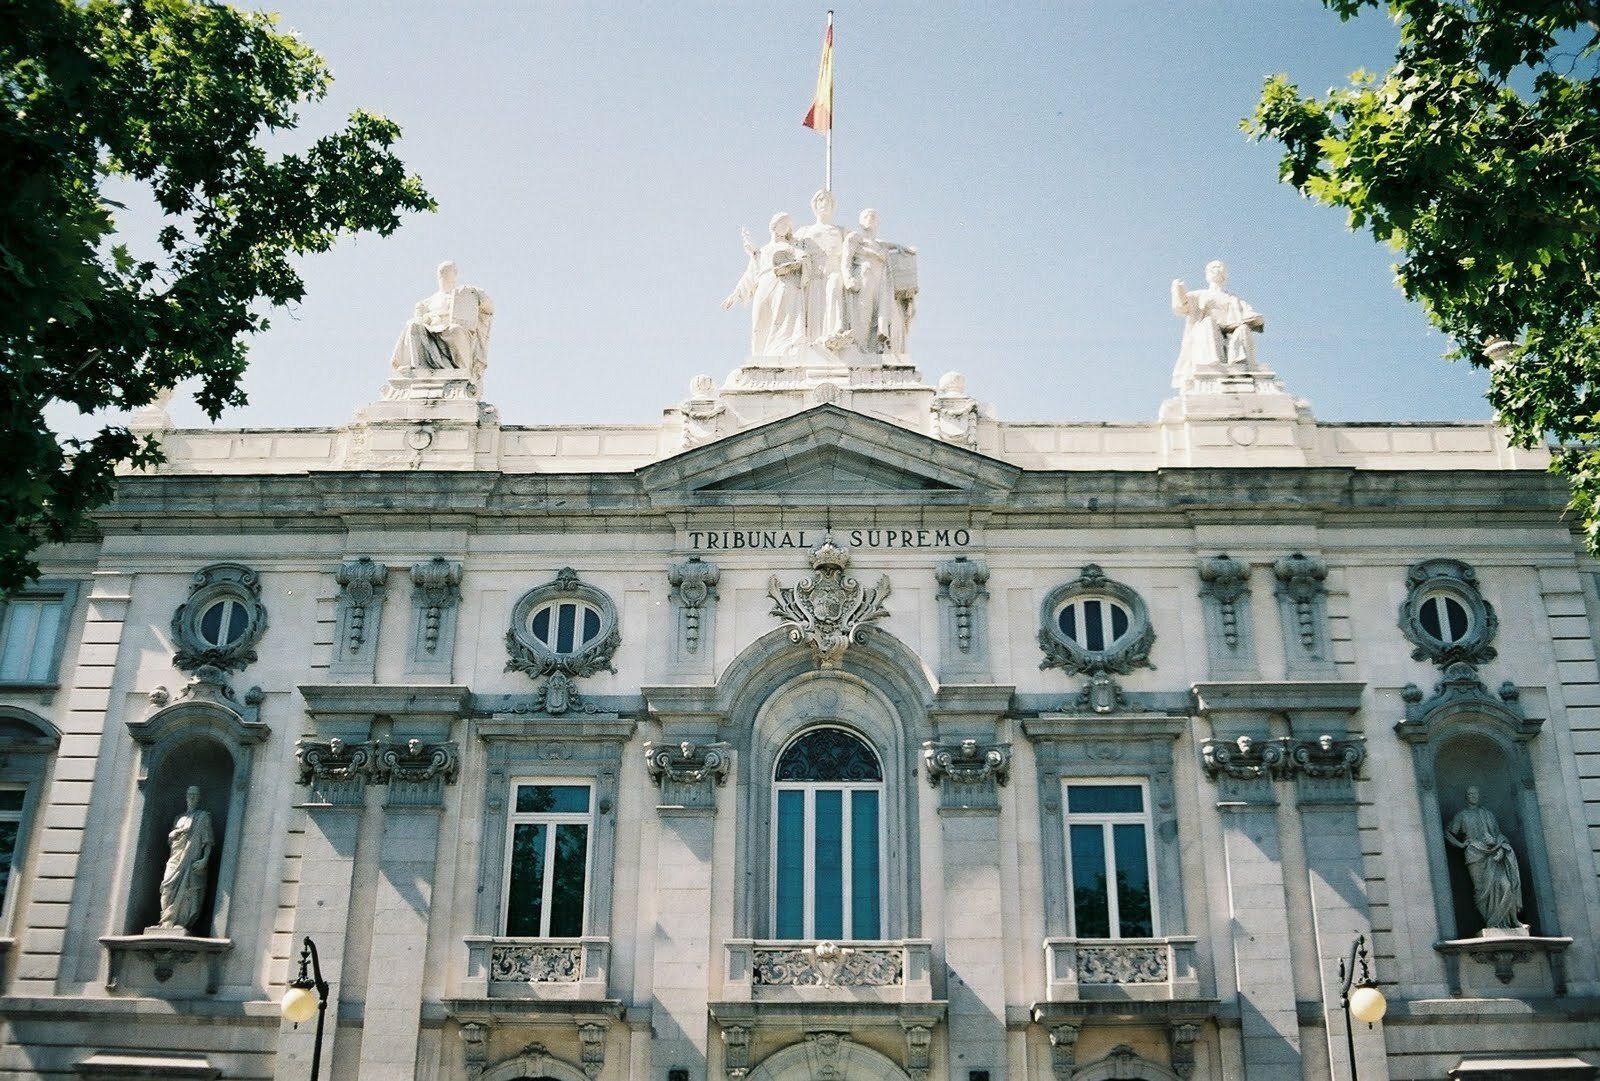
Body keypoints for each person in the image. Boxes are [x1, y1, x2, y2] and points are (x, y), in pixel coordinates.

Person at [390, 261, 495, 382]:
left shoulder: (464, 295)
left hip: (454, 330)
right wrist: (424, 319)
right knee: (413, 325)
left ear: (456, 274)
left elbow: (489, 309)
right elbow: (417, 319)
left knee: (455, 330)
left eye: (450, 272)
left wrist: (479, 295)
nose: (446, 275)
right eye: (444, 272)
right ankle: (419, 367)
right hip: (430, 332)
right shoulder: (426, 302)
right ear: (439, 275)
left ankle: (464, 372)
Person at [1170, 260, 1265, 388]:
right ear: (1207, 274)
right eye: (1212, 268)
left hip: (1231, 331)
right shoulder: (1200, 294)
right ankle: (1213, 364)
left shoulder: (1233, 298)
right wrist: (1178, 289)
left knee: (1243, 329)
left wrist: (1254, 319)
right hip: (1208, 330)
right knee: (1208, 323)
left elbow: (1249, 313)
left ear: (1225, 274)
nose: (1216, 270)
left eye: (1219, 267)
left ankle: (1238, 364)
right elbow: (1182, 305)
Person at [723, 213, 807, 356]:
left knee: (779, 321)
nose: (786, 227)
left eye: (788, 225)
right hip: (764, 283)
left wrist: (794, 265)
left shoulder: (791, 247)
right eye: (783, 223)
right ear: (774, 226)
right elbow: (750, 274)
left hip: (783, 282)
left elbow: (803, 260)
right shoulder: (762, 251)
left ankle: (779, 354)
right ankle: (758, 357)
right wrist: (736, 294)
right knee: (758, 323)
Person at [1446, 785, 1524, 930]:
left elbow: (1499, 835)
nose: (1473, 796)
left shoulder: (1488, 814)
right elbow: (1449, 833)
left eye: (1476, 793)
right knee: (1481, 890)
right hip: (1474, 854)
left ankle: (1513, 920)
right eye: (1470, 794)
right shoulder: (1462, 815)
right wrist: (1461, 844)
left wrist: (1498, 846)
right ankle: (1491, 923)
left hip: (1493, 853)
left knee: (1506, 885)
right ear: (1466, 797)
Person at [843, 208, 914, 355]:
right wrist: (847, 277)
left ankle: (874, 347)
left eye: (873, 216)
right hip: (864, 275)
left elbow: (888, 244)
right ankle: (859, 346)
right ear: (860, 221)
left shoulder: (880, 244)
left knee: (879, 314)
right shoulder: (855, 237)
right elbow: (845, 260)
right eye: (866, 216)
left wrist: (900, 247)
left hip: (881, 281)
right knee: (863, 311)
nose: (870, 217)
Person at [794, 189, 851, 350]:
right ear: (814, 205)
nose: (824, 204)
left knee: (834, 292)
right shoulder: (805, 231)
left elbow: (861, 245)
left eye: (828, 201)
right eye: (821, 200)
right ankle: (815, 341)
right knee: (815, 308)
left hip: (834, 271)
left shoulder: (841, 231)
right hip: (814, 275)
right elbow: (790, 249)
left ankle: (836, 333)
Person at [157, 786, 215, 932]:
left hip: (192, 859)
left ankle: (179, 923)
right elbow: (171, 841)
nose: (192, 797)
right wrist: (173, 835)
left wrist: (204, 860)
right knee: (167, 885)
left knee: (189, 890)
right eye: (189, 794)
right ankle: (165, 919)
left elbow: (207, 841)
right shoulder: (179, 818)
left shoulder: (203, 817)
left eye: (195, 795)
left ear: (199, 798)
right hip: (176, 857)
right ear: (185, 796)